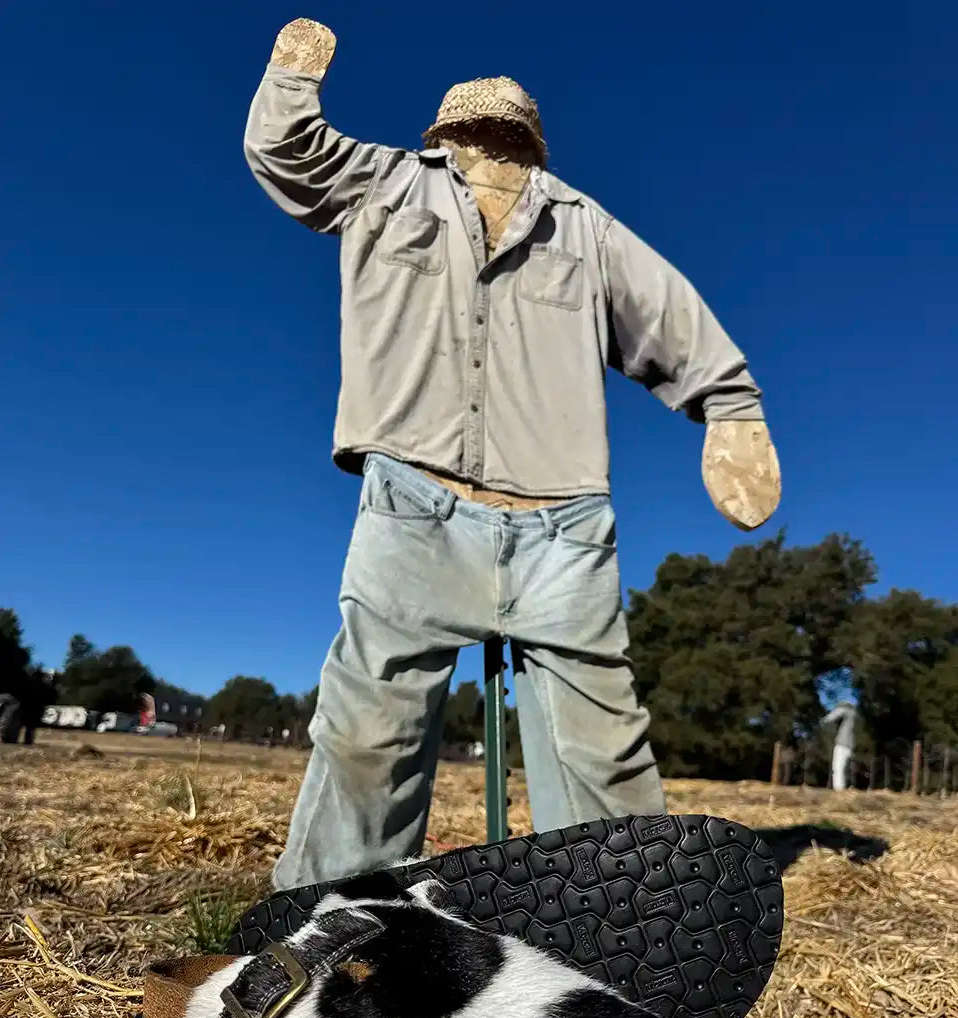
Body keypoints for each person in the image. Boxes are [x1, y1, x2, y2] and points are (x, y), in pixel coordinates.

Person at [244, 19, 782, 889]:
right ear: (445, 133)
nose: (488, 141)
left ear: (526, 140)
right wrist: (292, 78)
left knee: (601, 749)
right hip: (414, 502)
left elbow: (667, 312)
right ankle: (331, 923)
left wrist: (729, 405)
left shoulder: (583, 227)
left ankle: (626, 920)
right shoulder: (386, 183)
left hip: (560, 523)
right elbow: (287, 153)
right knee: (368, 737)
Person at [821, 701, 856, 792]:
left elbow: (836, 714)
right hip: (851, 746)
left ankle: (839, 791)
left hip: (842, 744)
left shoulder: (846, 711)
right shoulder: (854, 716)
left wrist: (824, 720)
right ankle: (845, 789)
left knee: (837, 768)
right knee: (845, 769)